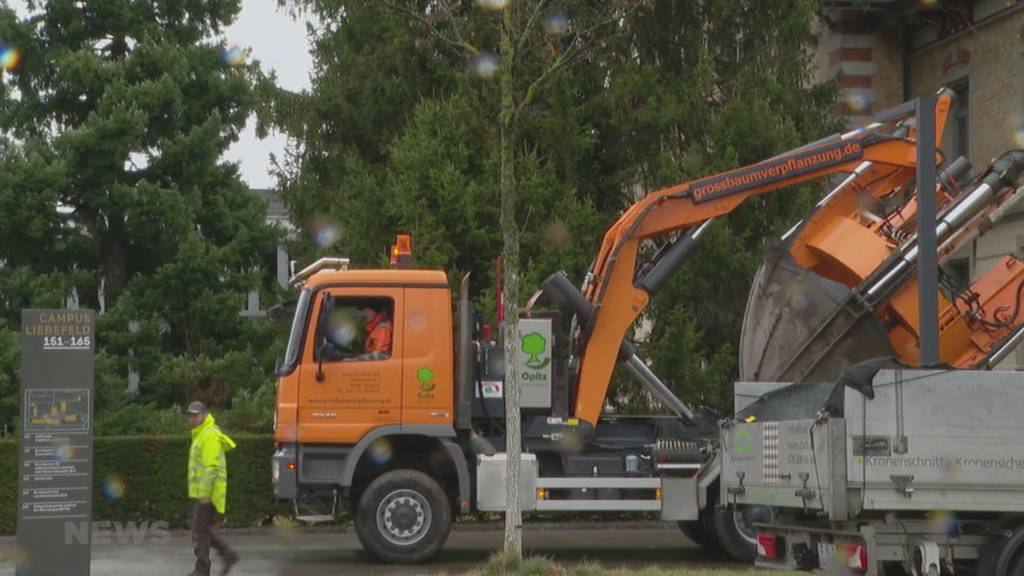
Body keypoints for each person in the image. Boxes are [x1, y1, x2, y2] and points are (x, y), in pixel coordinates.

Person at [185, 401, 239, 576]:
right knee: (200, 529)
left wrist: (205, 494)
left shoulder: (208, 435)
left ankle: (202, 570)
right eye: (190, 415)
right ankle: (228, 555)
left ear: (204, 415)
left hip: (208, 494)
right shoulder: (201, 434)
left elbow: (211, 467)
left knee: (199, 530)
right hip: (202, 493)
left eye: (195, 415)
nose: (191, 418)